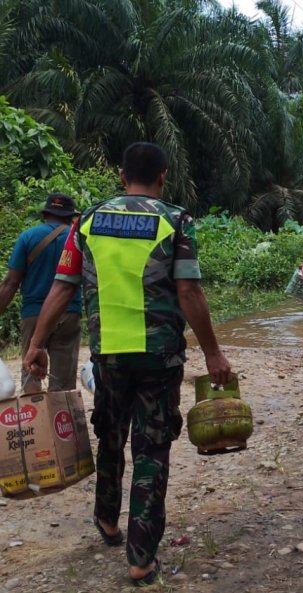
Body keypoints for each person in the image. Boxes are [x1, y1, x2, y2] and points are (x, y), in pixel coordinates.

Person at [23, 142, 231, 587]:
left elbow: (62, 288)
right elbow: (189, 292)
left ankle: (107, 520)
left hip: (109, 354)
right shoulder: (175, 220)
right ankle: (140, 558)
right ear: (163, 177)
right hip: (159, 357)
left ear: (121, 176)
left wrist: (37, 342)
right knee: (152, 449)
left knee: (111, 435)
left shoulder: (88, 221)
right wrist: (213, 352)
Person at [0, 193, 82, 393]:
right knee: (63, 384)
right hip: (69, 313)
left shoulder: (28, 237)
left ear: (45, 214)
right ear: (71, 216)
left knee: (31, 373)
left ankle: (35, 420)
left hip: (34, 313)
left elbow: (11, 282)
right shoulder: (78, 239)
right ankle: (61, 420)